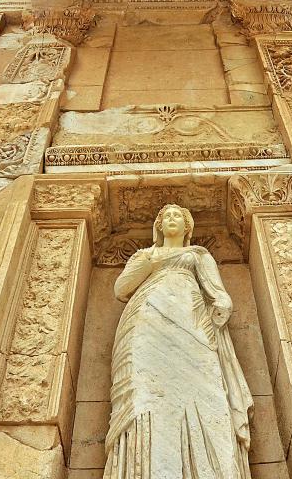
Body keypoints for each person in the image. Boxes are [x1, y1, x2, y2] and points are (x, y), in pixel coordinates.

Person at [104, 204, 253, 479]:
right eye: (166, 217)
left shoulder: (197, 255)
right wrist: (149, 262)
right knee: (144, 393)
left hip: (191, 322)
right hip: (145, 323)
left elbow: (218, 293)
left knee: (205, 389)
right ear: (158, 226)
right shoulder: (145, 255)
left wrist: (223, 305)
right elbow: (121, 288)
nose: (172, 220)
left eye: (178, 216)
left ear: (188, 227)